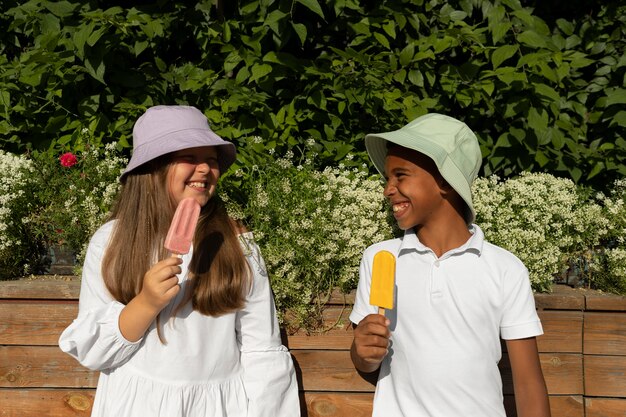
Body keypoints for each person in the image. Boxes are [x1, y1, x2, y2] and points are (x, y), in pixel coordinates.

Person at [59, 105, 300, 417]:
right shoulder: (111, 242)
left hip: (219, 406)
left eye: (211, 160)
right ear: (153, 169)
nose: (204, 168)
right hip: (136, 404)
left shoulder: (236, 245)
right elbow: (94, 352)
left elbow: (261, 349)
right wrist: (145, 303)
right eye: (189, 157)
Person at [349, 113, 551, 417]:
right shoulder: (380, 258)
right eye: (387, 179)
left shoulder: (505, 269)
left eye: (400, 176)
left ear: (444, 181)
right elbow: (366, 360)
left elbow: (527, 383)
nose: (388, 189)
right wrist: (361, 352)